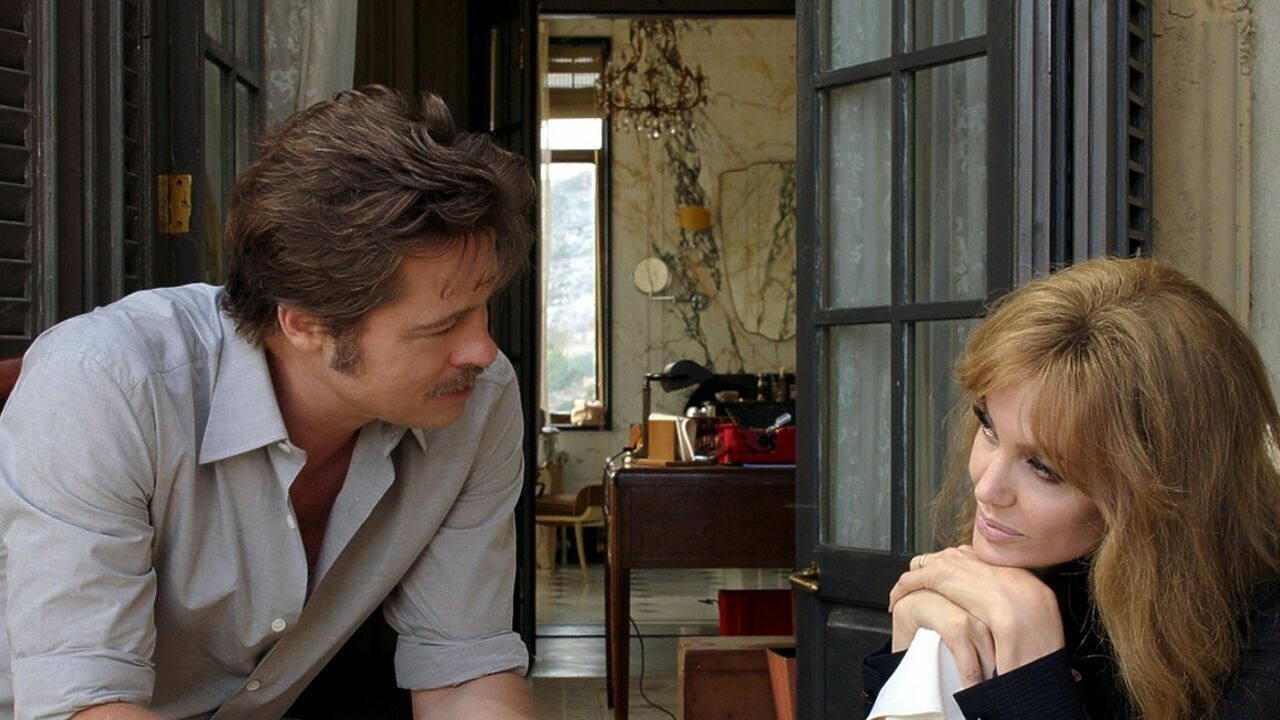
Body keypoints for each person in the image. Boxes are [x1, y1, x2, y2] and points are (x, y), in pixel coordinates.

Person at [0, 86, 540, 719]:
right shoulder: (106, 386)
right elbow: (85, 707)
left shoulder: (477, 397)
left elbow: (462, 673)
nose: (482, 350)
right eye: (440, 327)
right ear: (305, 323)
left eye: (482, 307)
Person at [864, 257, 1280, 720]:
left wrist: (1035, 681)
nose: (988, 488)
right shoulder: (1029, 567)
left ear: (1165, 486)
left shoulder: (1263, 637)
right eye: (989, 428)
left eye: (1043, 468)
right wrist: (910, 661)